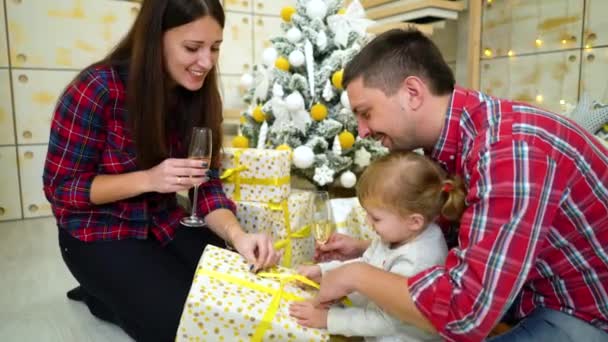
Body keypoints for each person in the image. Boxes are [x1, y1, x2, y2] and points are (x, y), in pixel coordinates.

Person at [314, 28, 608, 341]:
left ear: (412, 92)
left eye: (366, 113)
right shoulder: (451, 141)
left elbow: (464, 313)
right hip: (526, 297)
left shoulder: (509, 150)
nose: (361, 131)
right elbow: (462, 250)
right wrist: (372, 253)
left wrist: (359, 275)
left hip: (580, 311)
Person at [42, 1, 279, 340]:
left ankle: (113, 294)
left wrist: (237, 236)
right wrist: (148, 179)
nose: (207, 62)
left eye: (214, 48)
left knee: (237, 298)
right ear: (155, 39)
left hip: (163, 222)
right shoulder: (97, 89)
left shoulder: (196, 95)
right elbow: (62, 189)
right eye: (192, 48)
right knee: (181, 327)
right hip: (96, 233)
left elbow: (207, 186)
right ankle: (100, 295)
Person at [290, 151, 462, 341]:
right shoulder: (399, 233)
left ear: (414, 221)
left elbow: (384, 322)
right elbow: (365, 264)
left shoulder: (417, 260)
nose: (368, 222)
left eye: (376, 218)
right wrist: (323, 271)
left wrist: (327, 319)